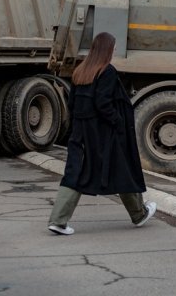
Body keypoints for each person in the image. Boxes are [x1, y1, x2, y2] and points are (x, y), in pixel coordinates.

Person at [48, 32, 156, 235]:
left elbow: (72, 104)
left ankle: (58, 220)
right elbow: (103, 103)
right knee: (121, 168)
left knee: (75, 172)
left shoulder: (81, 71)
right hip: (102, 134)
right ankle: (139, 214)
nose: (114, 50)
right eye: (113, 47)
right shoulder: (106, 72)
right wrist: (117, 122)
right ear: (107, 49)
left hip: (80, 133)